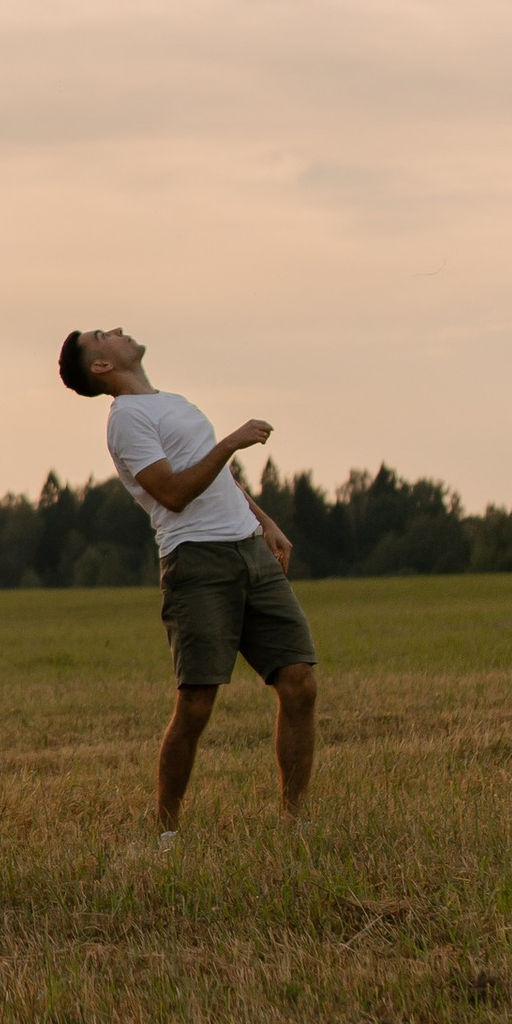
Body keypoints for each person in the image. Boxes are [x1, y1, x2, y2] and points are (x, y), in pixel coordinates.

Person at [57, 325, 319, 836]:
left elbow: (214, 478)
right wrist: (231, 442)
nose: (115, 330)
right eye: (100, 334)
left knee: (300, 683)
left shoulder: (171, 402)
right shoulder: (127, 420)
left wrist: (264, 522)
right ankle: (167, 831)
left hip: (249, 550)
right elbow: (173, 493)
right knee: (196, 705)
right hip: (196, 563)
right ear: (101, 367)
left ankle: (294, 820)